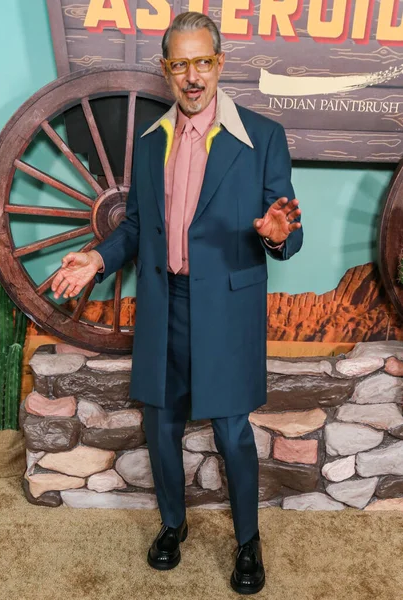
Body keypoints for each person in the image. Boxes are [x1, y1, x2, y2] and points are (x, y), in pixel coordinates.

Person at [51, 11, 303, 595]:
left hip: (228, 309)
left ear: (220, 62)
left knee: (233, 431)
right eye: (180, 64)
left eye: (203, 62)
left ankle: (247, 541)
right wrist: (98, 257)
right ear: (166, 70)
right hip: (167, 303)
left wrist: (273, 232)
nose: (193, 76)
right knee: (160, 425)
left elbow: (289, 234)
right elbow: (136, 227)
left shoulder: (262, 138)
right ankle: (173, 524)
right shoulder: (150, 141)